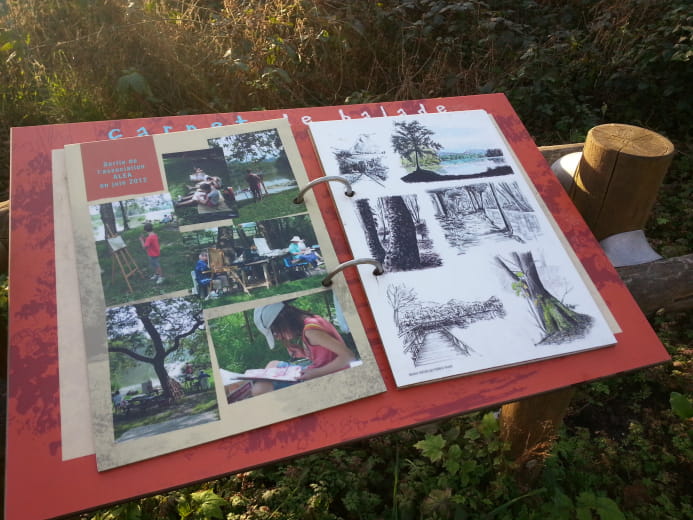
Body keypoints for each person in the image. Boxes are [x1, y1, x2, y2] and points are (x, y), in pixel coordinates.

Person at [251, 302, 356, 395]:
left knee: (259, 389)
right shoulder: (310, 321)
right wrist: (303, 352)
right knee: (272, 364)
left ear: (282, 320)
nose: (278, 337)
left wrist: (316, 373)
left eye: (275, 332)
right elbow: (326, 354)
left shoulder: (311, 332)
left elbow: (349, 357)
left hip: (328, 376)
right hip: (318, 370)